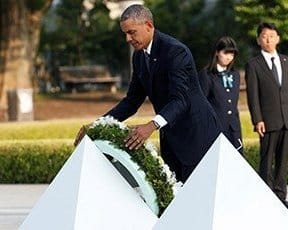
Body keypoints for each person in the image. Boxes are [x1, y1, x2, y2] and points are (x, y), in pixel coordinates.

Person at [74, 4, 220, 182]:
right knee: (177, 199)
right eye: (125, 33)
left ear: (148, 26)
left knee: (198, 197)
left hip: (197, 134)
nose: (128, 38)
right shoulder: (139, 57)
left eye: (132, 32)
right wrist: (96, 126)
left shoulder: (176, 52)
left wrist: (151, 126)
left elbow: (180, 100)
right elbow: (131, 101)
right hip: (171, 137)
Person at [245, 22, 288, 211]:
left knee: (283, 160)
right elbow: (252, 96)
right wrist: (257, 119)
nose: (268, 39)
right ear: (258, 40)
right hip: (267, 121)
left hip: (287, 118)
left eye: (271, 35)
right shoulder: (253, 65)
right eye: (264, 36)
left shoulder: (287, 61)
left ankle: (281, 197)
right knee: (267, 159)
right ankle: (266, 198)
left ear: (278, 38)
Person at [198, 36, 243, 155]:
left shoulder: (235, 74)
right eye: (226, 53)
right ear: (217, 52)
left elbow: (233, 104)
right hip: (215, 129)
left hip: (233, 129)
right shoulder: (206, 75)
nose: (229, 57)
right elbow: (202, 104)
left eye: (232, 54)